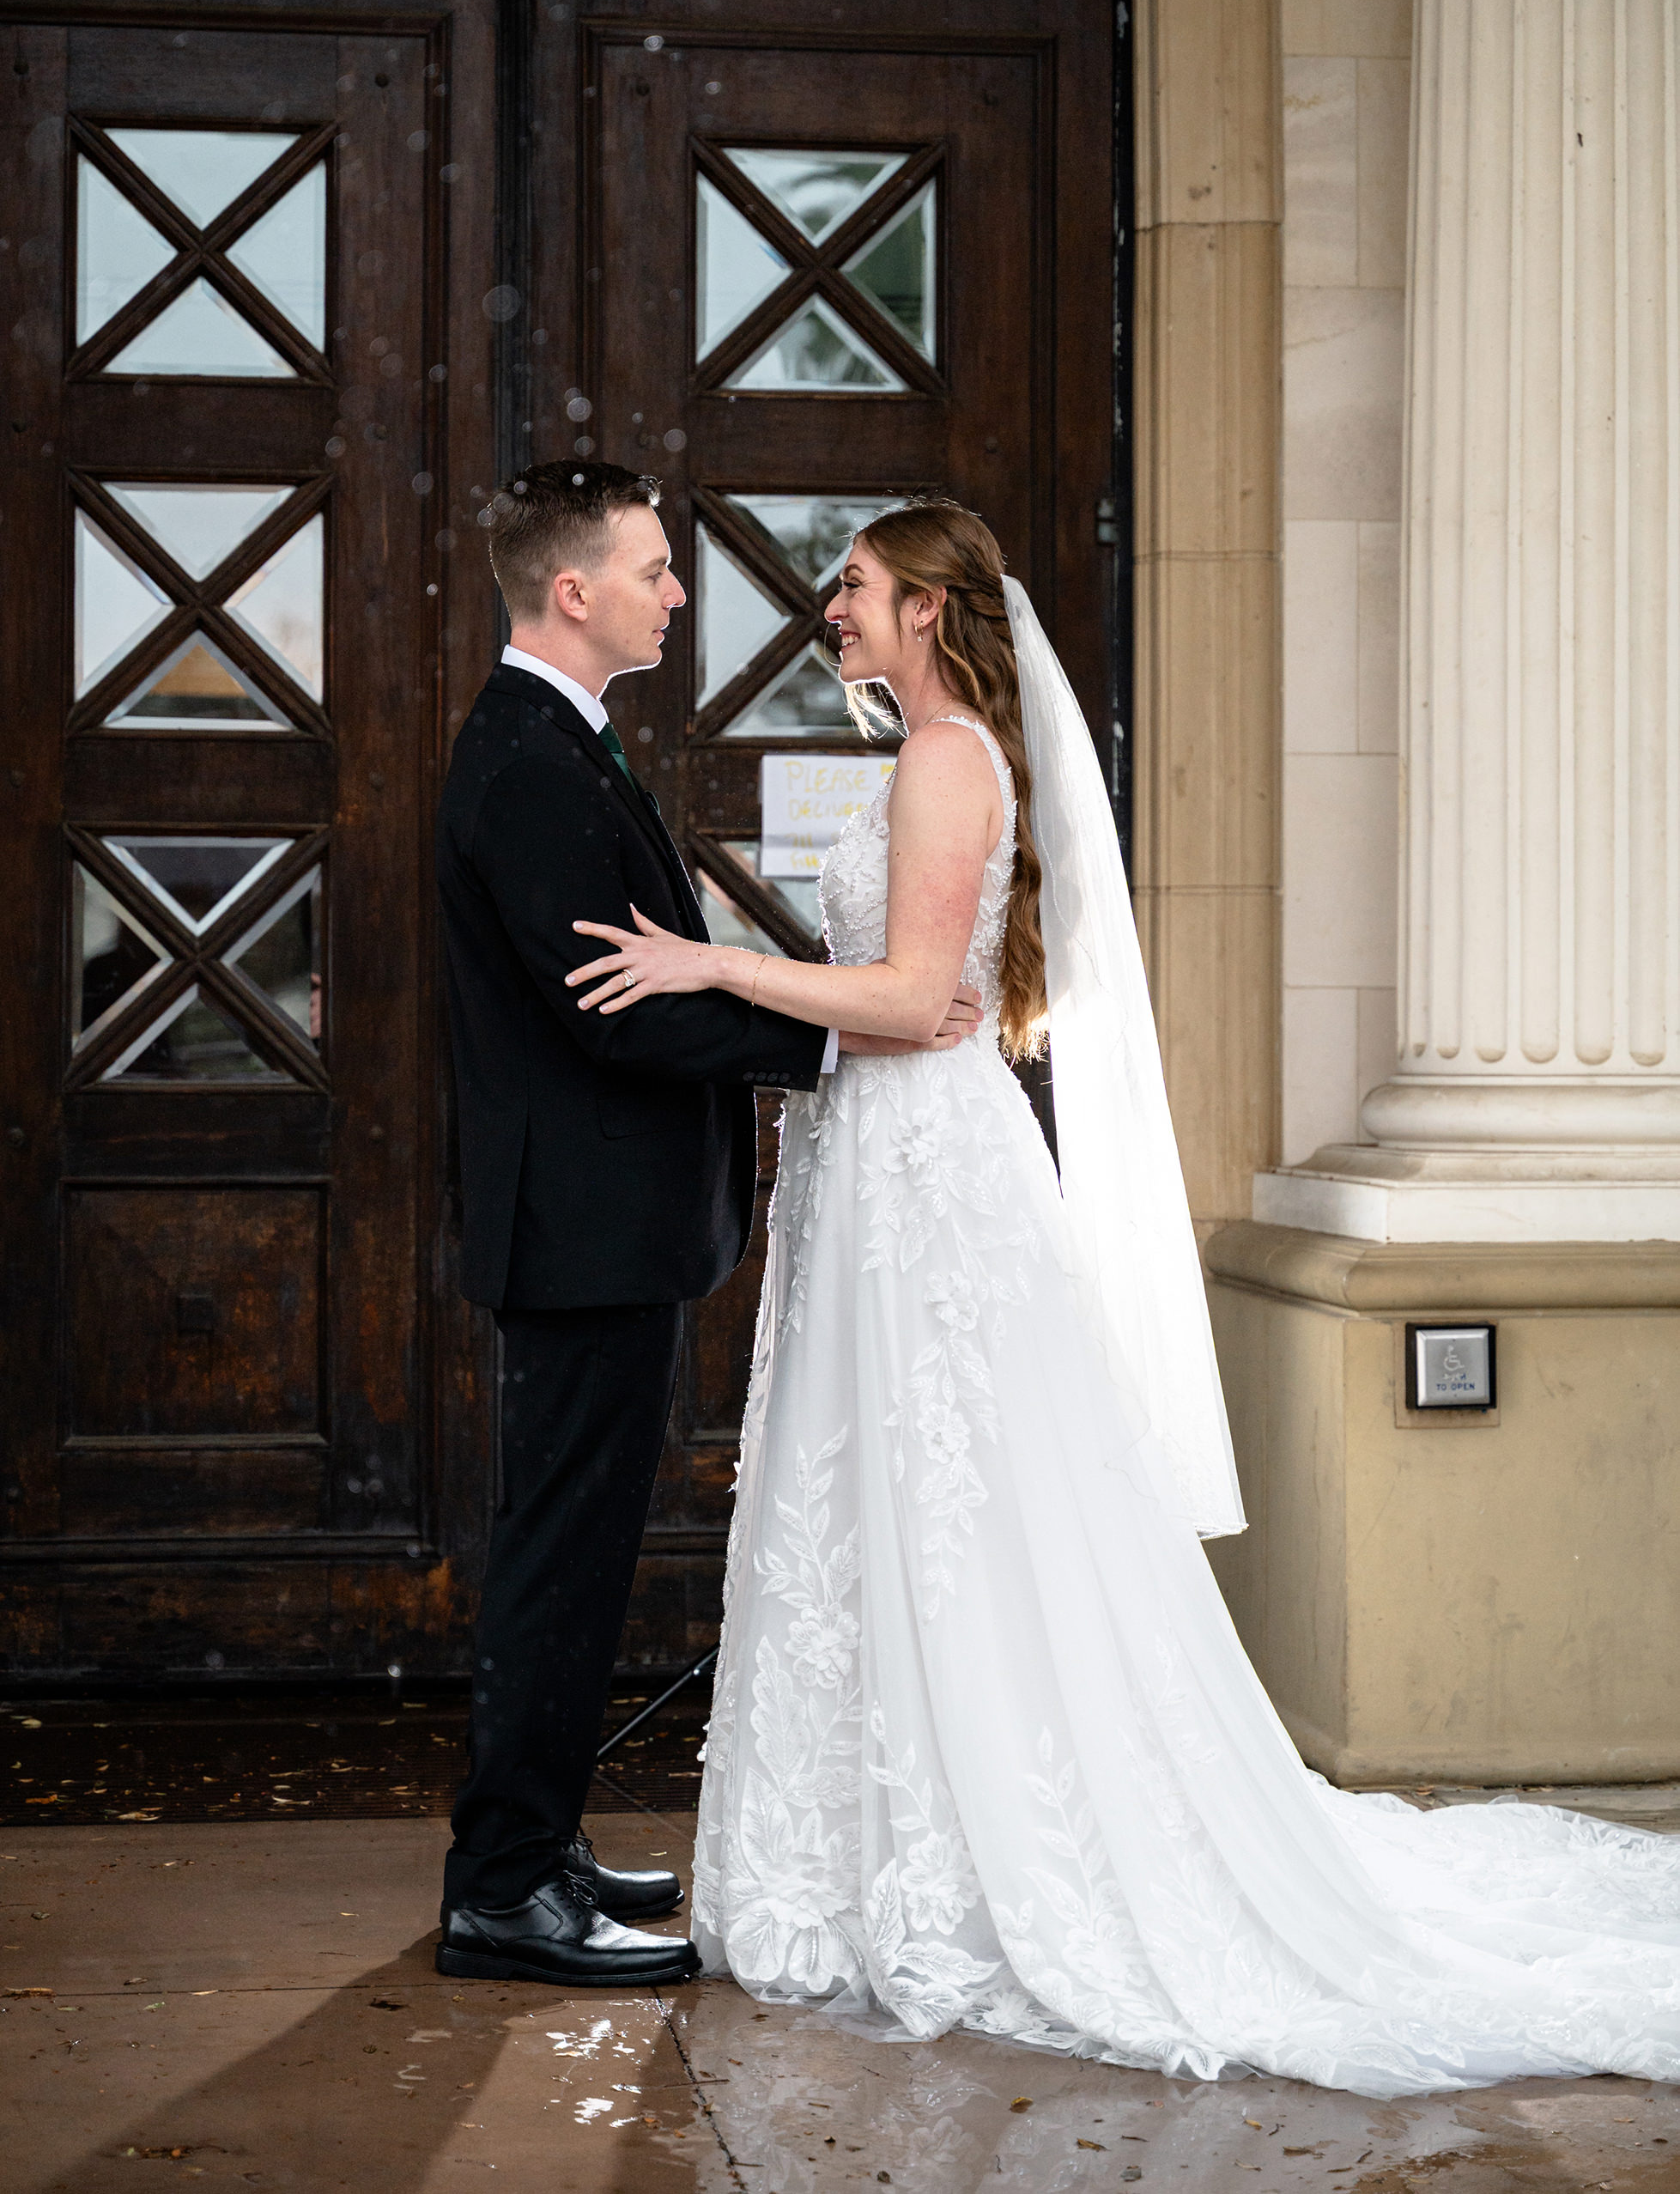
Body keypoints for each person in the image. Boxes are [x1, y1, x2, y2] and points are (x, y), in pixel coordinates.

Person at [565, 497, 1680, 2095]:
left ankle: (970, 1860)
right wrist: (814, 1005)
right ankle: (885, 1850)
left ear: (929, 610)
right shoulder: (927, 757)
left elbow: (911, 997)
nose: (831, 608)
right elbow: (914, 1003)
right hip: (880, 1160)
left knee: (958, 1499)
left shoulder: (945, 763)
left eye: (855, 585)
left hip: (925, 1181)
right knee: (892, 1497)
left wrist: (716, 964)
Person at [433, 464, 979, 1991]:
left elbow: (650, 976)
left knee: (576, 1543)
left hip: (600, 1225)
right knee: (559, 1551)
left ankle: (534, 1847)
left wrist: (764, 992)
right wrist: (842, 1033)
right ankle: (502, 1887)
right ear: (572, 592)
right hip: (581, 1230)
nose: (678, 594)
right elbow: (616, 1009)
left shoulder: (562, 741)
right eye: (653, 570)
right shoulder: (528, 761)